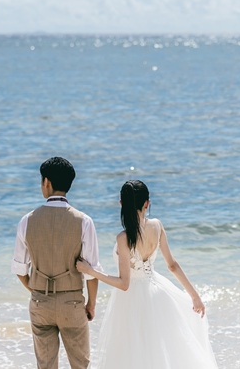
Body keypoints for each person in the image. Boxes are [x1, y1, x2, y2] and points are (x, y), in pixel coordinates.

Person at [77, 179, 219, 369]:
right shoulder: (157, 225)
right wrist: (195, 297)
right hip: (157, 292)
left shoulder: (124, 237)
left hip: (131, 300)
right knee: (161, 349)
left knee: (134, 355)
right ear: (147, 203)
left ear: (121, 204)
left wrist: (91, 271)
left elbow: (124, 283)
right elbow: (173, 265)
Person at [11, 157, 102, 369]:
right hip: (72, 302)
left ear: (46, 182)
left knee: (46, 365)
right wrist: (91, 304)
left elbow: (19, 269)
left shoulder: (27, 220)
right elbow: (92, 272)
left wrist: (36, 290)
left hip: (40, 301)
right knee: (81, 365)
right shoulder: (84, 221)